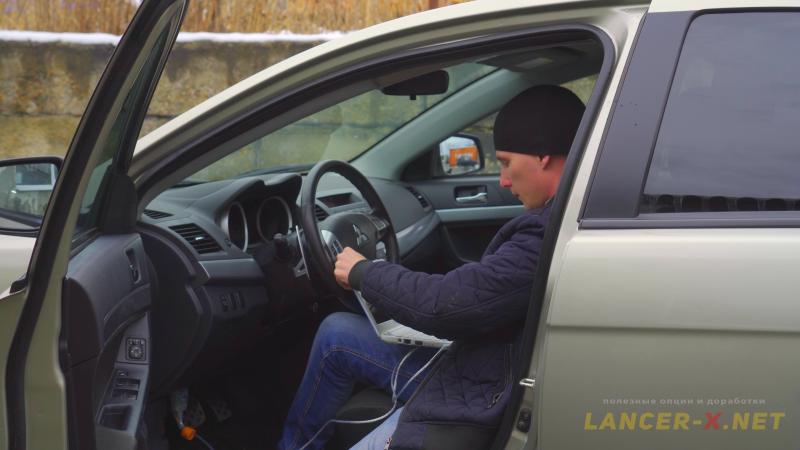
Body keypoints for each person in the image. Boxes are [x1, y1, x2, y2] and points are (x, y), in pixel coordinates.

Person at [277, 85, 586, 450]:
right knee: (336, 334)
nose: (502, 180)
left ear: (543, 157)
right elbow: (476, 293)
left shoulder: (545, 232)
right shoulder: (565, 214)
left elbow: (446, 304)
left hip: (485, 386)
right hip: (484, 359)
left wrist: (363, 271)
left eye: (505, 162)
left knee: (337, 340)